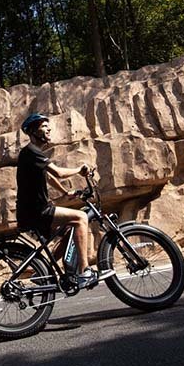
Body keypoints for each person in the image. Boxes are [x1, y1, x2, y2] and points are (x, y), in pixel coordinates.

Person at [16, 113, 114, 289]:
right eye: (44, 126)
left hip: (32, 211)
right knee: (81, 218)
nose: (48, 129)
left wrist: (65, 192)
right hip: (37, 211)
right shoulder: (32, 151)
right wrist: (79, 169)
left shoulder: (33, 154)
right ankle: (84, 271)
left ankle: (43, 271)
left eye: (48, 126)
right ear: (32, 131)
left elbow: (48, 177)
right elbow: (58, 173)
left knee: (70, 231)